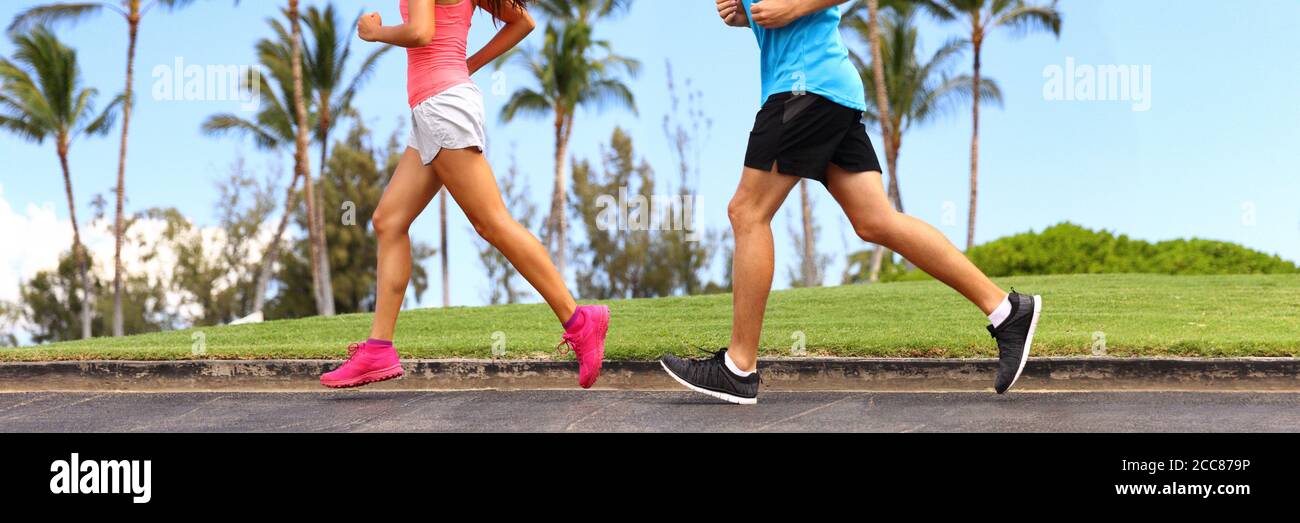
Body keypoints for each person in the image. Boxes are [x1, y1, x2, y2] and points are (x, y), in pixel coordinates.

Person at [660, 0, 1041, 404]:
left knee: (747, 212)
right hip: (827, 90)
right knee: (875, 220)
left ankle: (738, 367)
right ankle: (1006, 311)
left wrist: (791, 7)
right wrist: (747, 15)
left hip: (804, 88)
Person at [321, 0, 610, 389]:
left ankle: (580, 321)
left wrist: (377, 33)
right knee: (389, 221)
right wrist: (467, 65)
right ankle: (378, 350)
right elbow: (522, 22)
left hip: (442, 107)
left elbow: (421, 32)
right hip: (433, 107)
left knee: (491, 222)